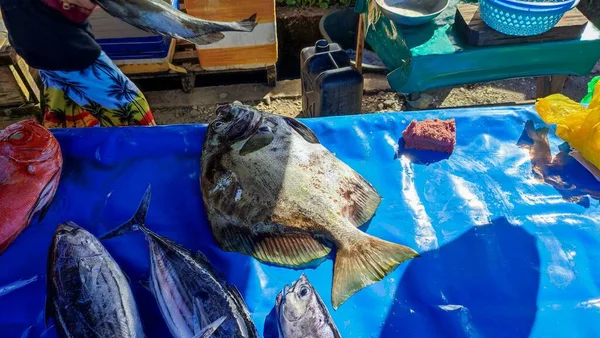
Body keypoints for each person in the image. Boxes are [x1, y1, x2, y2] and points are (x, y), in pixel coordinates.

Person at [0, 0, 156, 128]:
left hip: (35, 48)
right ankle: (147, 155)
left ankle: (72, 155)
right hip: (67, 47)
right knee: (131, 109)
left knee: (64, 110)